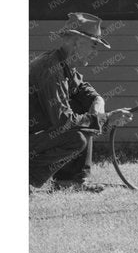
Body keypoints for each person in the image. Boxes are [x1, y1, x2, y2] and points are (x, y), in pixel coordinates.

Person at [29, 13, 130, 191]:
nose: (96, 52)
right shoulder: (51, 69)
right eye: (93, 45)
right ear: (76, 42)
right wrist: (104, 118)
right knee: (75, 138)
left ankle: (69, 181)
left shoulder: (65, 66)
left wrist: (98, 100)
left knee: (84, 114)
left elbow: (84, 91)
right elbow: (63, 120)